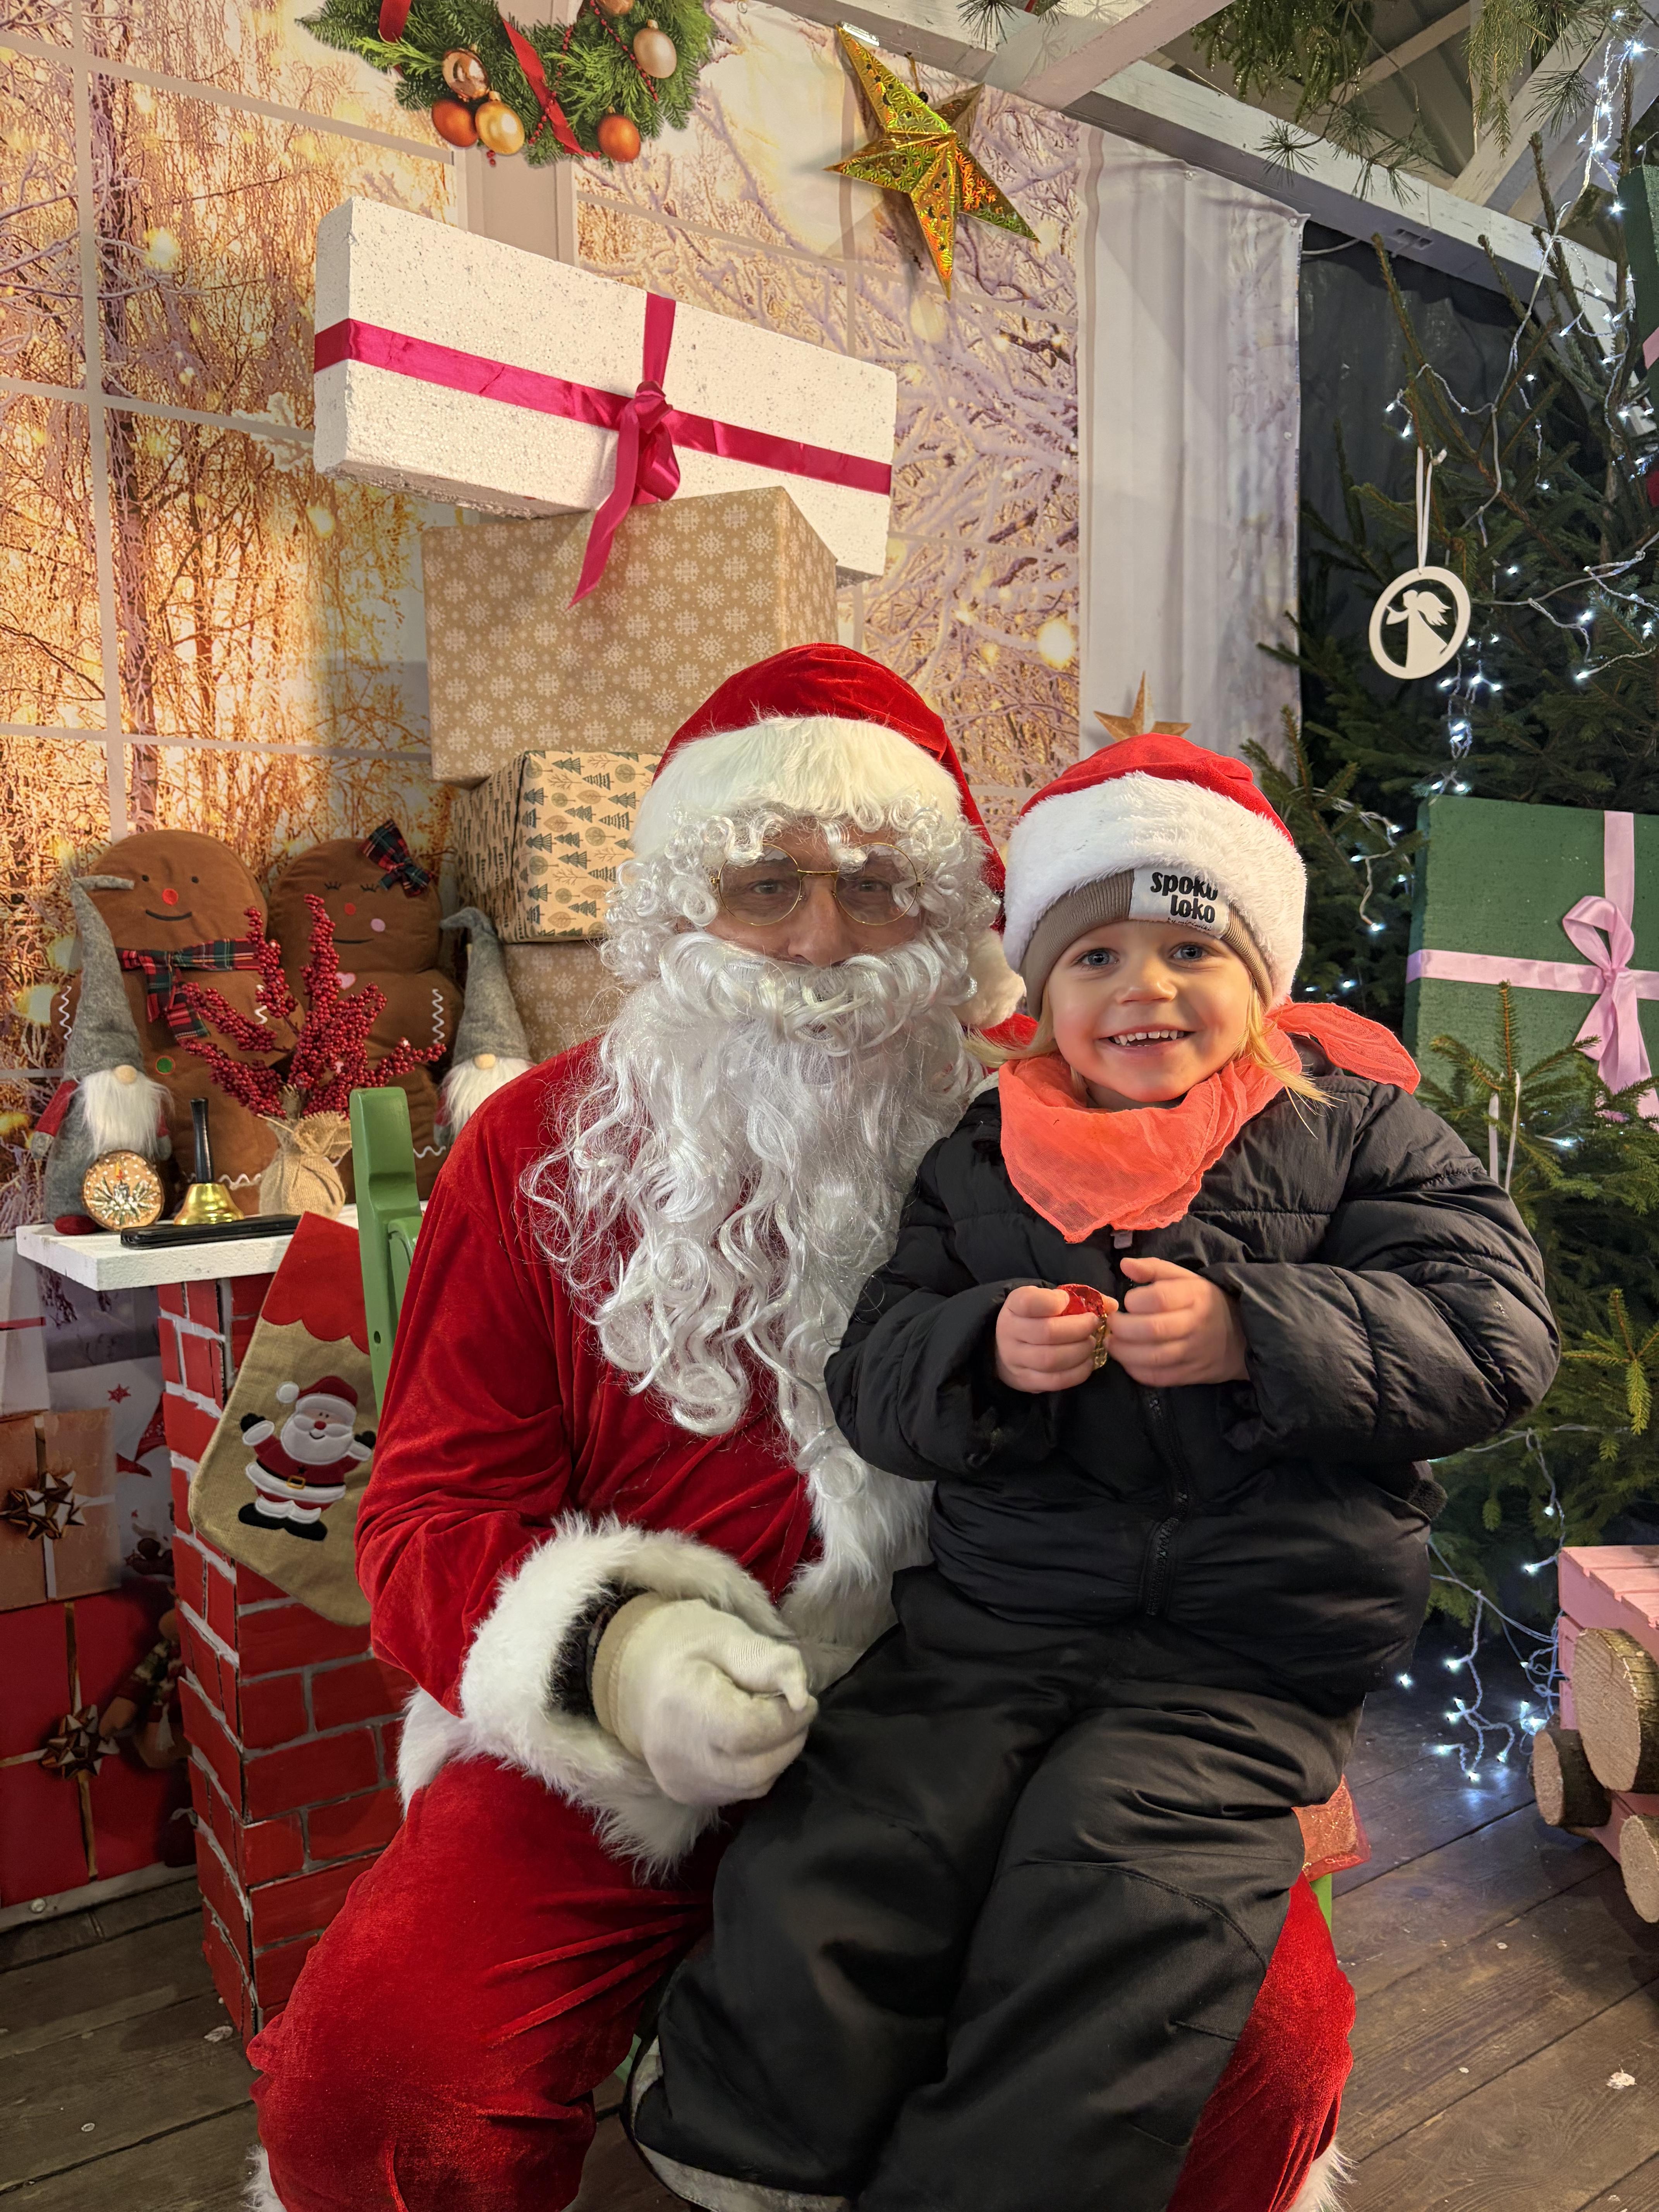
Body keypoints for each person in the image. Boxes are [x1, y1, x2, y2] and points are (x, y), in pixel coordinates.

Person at [247, 662, 1379, 2212]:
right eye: (764, 883)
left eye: (877, 887)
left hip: (1016, 1704)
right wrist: (625, 1662)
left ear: (956, 914)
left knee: (1261, 2057)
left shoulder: (1088, 1122)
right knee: (381, 2084)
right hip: (633, 1744)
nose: (821, 940)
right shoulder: (532, 1147)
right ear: (678, 903)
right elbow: (426, 1522)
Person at [626, 733, 1559, 2212]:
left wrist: (1263, 1330)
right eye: (1096, 956)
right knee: (862, 1835)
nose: (1145, 989)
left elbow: (1494, 1336)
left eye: (1191, 949)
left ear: (1260, 971)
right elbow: (873, 1373)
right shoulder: (987, 1151)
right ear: (1043, 990)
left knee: (1122, 1898)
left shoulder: (1356, 1127)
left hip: (1239, 1653)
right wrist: (980, 1348)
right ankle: (743, 2153)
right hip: (997, 1622)